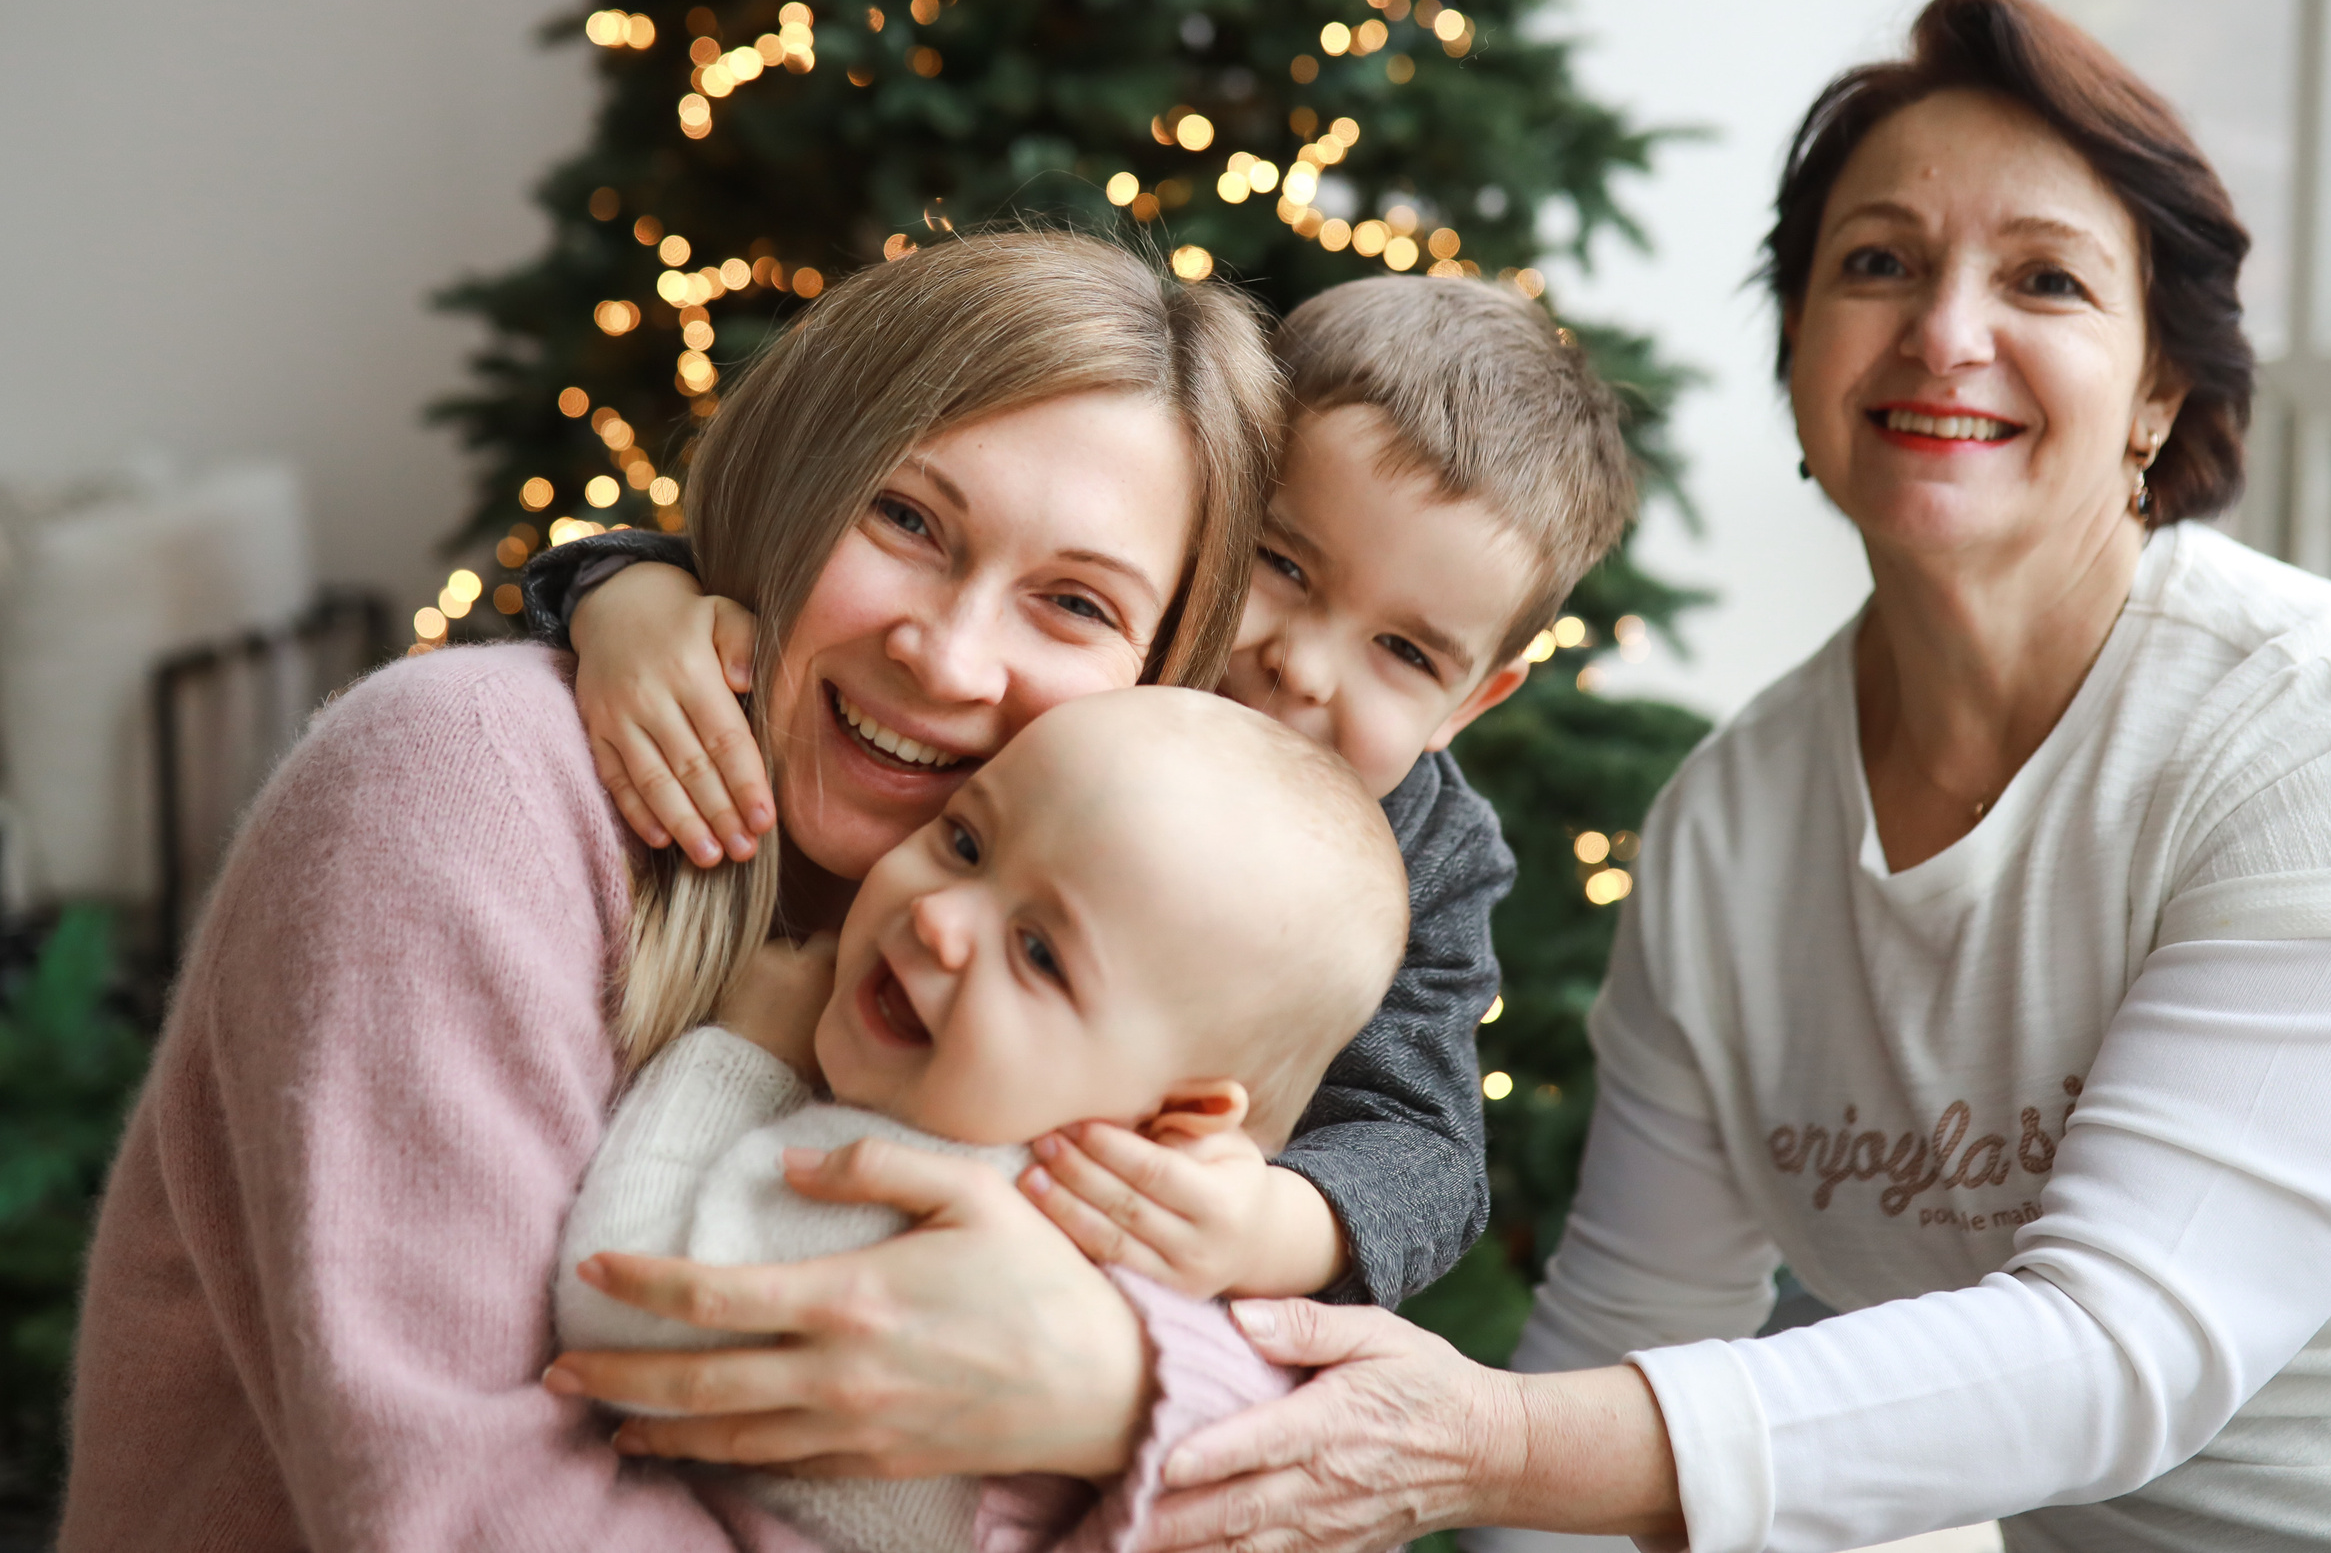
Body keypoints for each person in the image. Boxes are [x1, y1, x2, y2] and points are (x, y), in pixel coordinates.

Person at [1103, 0, 2331, 1553]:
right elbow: (1631, 1317)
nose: (1947, 333)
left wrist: (1488, 1443)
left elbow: (2127, 1345)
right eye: (1878, 263)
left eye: (2046, 278)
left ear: (2159, 387)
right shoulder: (1732, 828)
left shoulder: (2323, 724)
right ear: (1800, 343)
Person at [60, 231, 1284, 1550]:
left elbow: (1301, 1432)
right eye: (907, 518)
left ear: (1164, 672)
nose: (947, 656)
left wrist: (1129, 1389)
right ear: (803, 478)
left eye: (1077, 604)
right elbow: (466, 1514)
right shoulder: (462, 781)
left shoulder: (1125, 951)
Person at [525, 271, 1635, 1327]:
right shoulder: (1092, 663)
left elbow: (1424, 1145)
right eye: (1282, 566)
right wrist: (627, 596)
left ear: (1472, 701)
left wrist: (1263, 1226)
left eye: (1404, 651)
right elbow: (784, 585)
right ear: (1202, 518)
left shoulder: (1427, 850)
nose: (1302, 667)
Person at [556, 686, 1408, 1553]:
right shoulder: (1172, 1274)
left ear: (1176, 1113)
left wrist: (745, 1054)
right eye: (964, 842)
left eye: (1039, 953)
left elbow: (619, 1310)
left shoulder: (917, 1189)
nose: (937, 916)